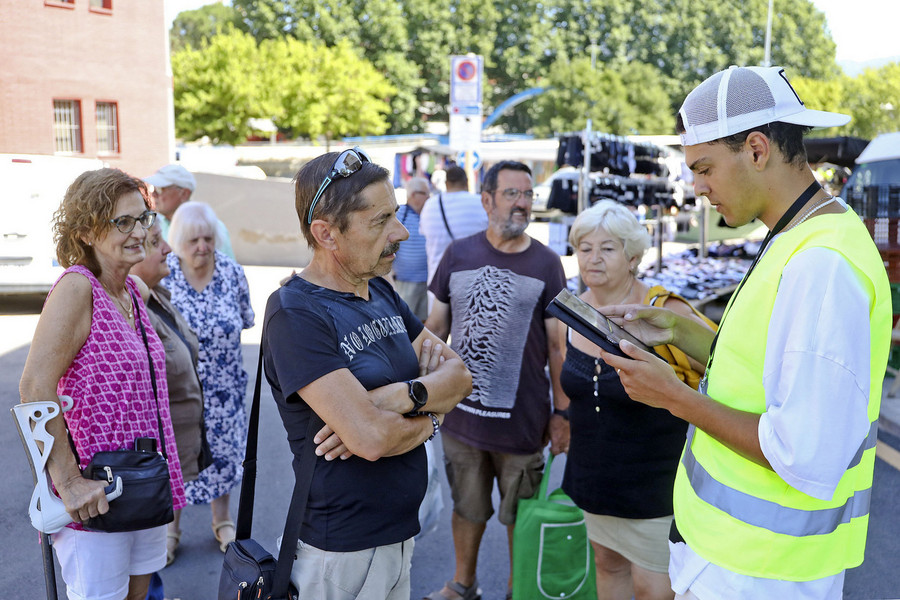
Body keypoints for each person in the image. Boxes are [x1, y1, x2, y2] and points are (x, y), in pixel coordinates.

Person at [599, 66, 892, 600]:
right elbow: (772, 370)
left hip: (762, 573)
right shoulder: (799, 234)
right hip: (739, 560)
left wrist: (675, 398)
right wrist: (685, 333)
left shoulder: (820, 264)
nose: (697, 188)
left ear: (758, 150)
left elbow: (802, 452)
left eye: (704, 167)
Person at [262, 147, 472, 598]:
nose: (401, 233)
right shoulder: (296, 312)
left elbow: (459, 376)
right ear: (327, 234)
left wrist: (398, 398)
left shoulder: (379, 290)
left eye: (395, 215)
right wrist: (435, 413)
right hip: (340, 553)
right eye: (380, 221)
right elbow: (372, 439)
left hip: (399, 536)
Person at [18, 168, 186, 600]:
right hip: (98, 495)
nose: (139, 232)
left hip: (142, 486)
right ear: (88, 231)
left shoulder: (130, 290)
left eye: (143, 218)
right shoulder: (77, 289)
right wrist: (69, 482)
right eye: (122, 222)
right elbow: (35, 387)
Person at [424, 160, 569, 600]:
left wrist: (562, 412)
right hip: (462, 419)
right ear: (486, 200)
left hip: (523, 421)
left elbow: (558, 347)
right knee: (467, 509)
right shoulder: (458, 254)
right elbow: (434, 329)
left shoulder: (546, 263)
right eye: (512, 194)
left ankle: (518, 589)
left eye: (527, 195)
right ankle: (463, 584)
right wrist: (417, 392)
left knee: (520, 513)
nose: (522, 203)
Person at [561, 201, 714, 600]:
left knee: (655, 591)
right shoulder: (575, 310)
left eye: (607, 248)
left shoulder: (664, 310)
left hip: (654, 491)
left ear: (632, 258)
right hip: (594, 485)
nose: (593, 258)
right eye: (585, 247)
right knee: (608, 570)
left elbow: (726, 366)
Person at [163, 201, 254, 554]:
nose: (202, 246)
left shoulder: (231, 273)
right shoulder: (163, 276)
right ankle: (171, 528)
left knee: (223, 454)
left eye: (207, 238)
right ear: (177, 242)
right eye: (193, 240)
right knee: (176, 455)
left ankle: (222, 521)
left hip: (225, 388)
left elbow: (246, 318)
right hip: (178, 390)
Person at [130, 219, 210, 566]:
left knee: (148, 575)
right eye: (155, 242)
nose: (168, 249)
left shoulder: (158, 298)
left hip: (167, 465)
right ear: (129, 255)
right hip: (146, 474)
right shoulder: (128, 308)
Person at [143, 163, 235, 259]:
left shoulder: (212, 227)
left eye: (160, 189)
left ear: (184, 193)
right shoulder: (154, 224)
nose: (153, 194)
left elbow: (228, 269)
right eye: (153, 188)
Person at [419, 165, 487, 285]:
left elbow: (424, 234)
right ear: (466, 182)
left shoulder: (430, 205)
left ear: (446, 183)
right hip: (474, 282)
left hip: (438, 282)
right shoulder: (481, 203)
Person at [391, 176, 430, 321]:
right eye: (425, 193)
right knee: (405, 322)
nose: (428, 197)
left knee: (424, 323)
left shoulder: (428, 215)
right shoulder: (400, 214)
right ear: (414, 195)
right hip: (405, 283)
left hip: (426, 282)